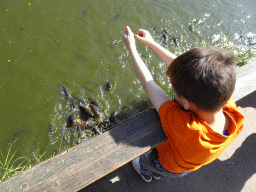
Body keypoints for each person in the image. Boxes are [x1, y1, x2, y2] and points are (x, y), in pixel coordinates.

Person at [122, 26, 244, 182]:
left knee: (147, 162)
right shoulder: (229, 108)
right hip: (187, 165)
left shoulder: (188, 130)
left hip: (167, 163)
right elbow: (191, 74)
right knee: (168, 169)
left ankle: (146, 173)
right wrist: (151, 43)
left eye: (176, 92)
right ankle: (158, 174)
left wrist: (131, 48)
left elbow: (148, 83)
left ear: (186, 103)